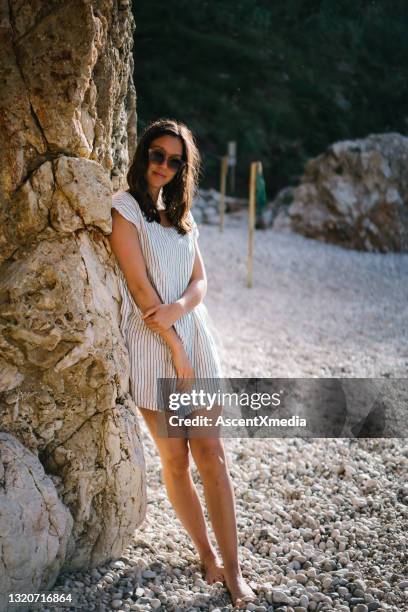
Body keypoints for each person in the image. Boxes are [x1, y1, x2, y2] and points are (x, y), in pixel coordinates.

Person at [108, 118, 257, 608]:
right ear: (143, 154)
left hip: (195, 335)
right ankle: (207, 558)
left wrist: (182, 312)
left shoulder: (181, 213)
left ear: (183, 167)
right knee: (175, 460)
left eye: (175, 160)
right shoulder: (125, 209)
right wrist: (174, 346)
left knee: (210, 454)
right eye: (157, 155)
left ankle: (234, 572)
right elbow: (138, 288)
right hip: (154, 349)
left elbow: (201, 280)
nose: (164, 167)